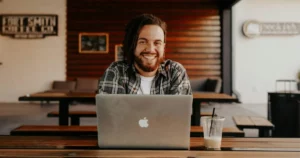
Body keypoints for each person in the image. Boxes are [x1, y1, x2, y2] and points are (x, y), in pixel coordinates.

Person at [98, 14, 191, 95]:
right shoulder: (116, 72)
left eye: (157, 42)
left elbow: (178, 114)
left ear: (163, 47)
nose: (150, 49)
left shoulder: (176, 72)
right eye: (143, 42)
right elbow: (112, 114)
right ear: (132, 44)